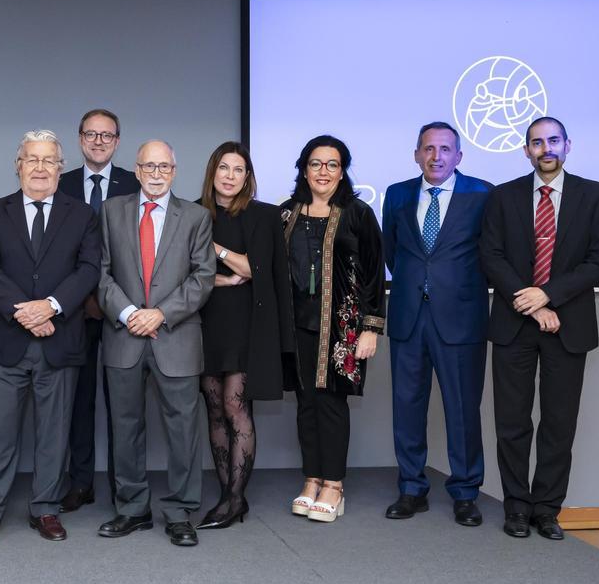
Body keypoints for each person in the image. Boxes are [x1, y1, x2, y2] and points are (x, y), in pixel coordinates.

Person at [479, 117, 599, 540]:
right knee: (512, 423)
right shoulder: (502, 198)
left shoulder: (595, 195)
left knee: (559, 423)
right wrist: (534, 303)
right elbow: (491, 255)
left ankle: (547, 511)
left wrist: (549, 296)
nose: (546, 148)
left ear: (568, 145)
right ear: (526, 151)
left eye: (553, 140)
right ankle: (517, 508)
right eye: (537, 143)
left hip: (568, 325)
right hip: (514, 324)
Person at [0, 130, 101, 550]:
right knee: (0, 433)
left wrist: (52, 306)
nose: (40, 167)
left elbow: (88, 270)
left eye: (49, 160)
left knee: (53, 433)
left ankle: (46, 508)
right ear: (18, 165)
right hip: (9, 340)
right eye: (32, 159)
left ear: (60, 168)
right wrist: (27, 312)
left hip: (60, 340)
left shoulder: (82, 215)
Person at [96, 140, 214, 547]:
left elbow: (203, 277)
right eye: (149, 165)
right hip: (123, 337)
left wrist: (160, 314)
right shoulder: (111, 211)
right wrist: (130, 314)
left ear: (175, 170)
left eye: (164, 166)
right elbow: (101, 272)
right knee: (125, 428)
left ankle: (181, 512)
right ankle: (132, 509)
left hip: (176, 336)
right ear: (137, 169)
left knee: (183, 430)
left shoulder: (196, 216)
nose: (157, 172)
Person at [381, 122, 493, 526]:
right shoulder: (396, 194)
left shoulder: (483, 194)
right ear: (416, 154)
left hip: (461, 319)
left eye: (445, 149)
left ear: (459, 156)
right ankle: (412, 488)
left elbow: (491, 253)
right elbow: (392, 252)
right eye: (428, 148)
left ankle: (465, 493)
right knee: (407, 406)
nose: (436, 156)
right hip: (409, 316)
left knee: (462, 409)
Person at [280, 135, 385, 524]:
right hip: (296, 326)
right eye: (315, 163)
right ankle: (311, 479)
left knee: (332, 403)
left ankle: (334, 486)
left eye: (332, 164)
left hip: (343, 329)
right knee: (306, 404)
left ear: (342, 171)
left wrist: (371, 328)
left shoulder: (358, 213)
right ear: (303, 169)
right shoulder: (286, 213)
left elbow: (375, 273)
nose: (323, 171)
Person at [196, 141, 292, 530]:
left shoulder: (264, 215)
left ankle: (235, 499)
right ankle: (225, 495)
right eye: (224, 168)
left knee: (237, 409)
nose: (230, 176)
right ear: (212, 173)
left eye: (239, 170)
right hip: (203, 324)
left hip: (248, 326)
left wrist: (216, 249)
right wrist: (221, 278)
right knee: (214, 409)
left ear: (248, 177)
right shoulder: (192, 213)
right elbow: (185, 276)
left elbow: (256, 270)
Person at [56, 109, 139, 512]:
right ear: (80, 138)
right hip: (75, 308)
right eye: (91, 134)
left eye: (107, 135)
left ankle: (127, 488)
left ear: (118, 141)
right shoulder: (61, 183)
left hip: (126, 307)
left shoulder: (136, 183)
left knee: (124, 402)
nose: (99, 141)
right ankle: (82, 482)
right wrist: (80, 298)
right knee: (80, 400)